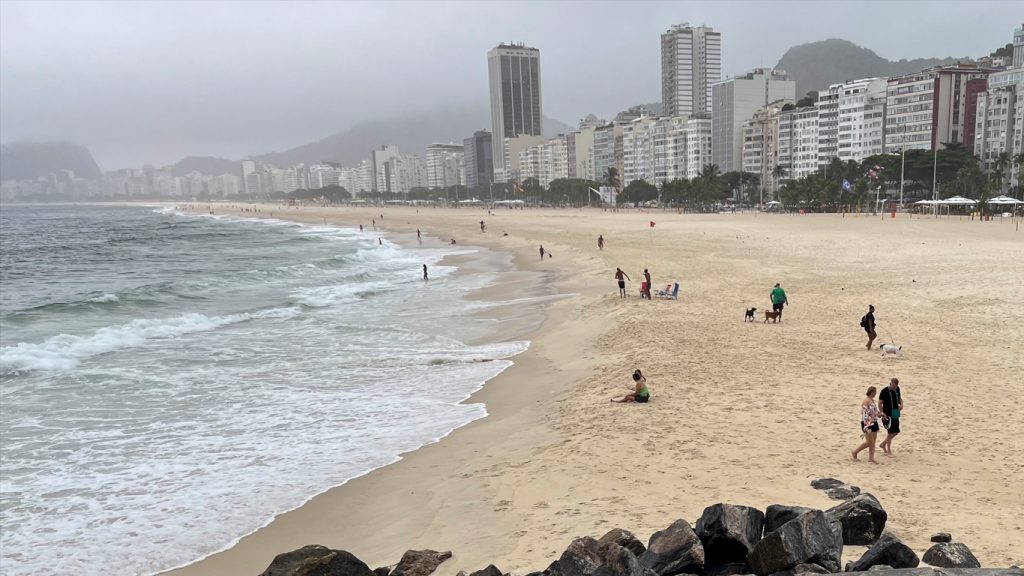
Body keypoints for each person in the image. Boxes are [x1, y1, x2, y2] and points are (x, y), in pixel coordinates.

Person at [852, 386, 883, 463]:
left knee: (873, 442)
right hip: (867, 423)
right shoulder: (866, 401)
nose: (875, 394)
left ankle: (871, 458)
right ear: (871, 392)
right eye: (874, 392)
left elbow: (875, 411)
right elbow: (864, 413)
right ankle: (855, 452)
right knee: (869, 442)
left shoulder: (872, 400)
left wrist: (880, 414)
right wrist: (867, 426)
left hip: (874, 422)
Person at [878, 378, 903, 455]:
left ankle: (883, 444)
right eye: (893, 386)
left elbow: (899, 398)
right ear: (891, 383)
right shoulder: (884, 391)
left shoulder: (897, 389)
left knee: (896, 432)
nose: (894, 387)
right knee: (890, 432)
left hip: (895, 413)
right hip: (887, 415)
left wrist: (902, 404)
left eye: (896, 386)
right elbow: (879, 403)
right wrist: (882, 413)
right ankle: (888, 450)